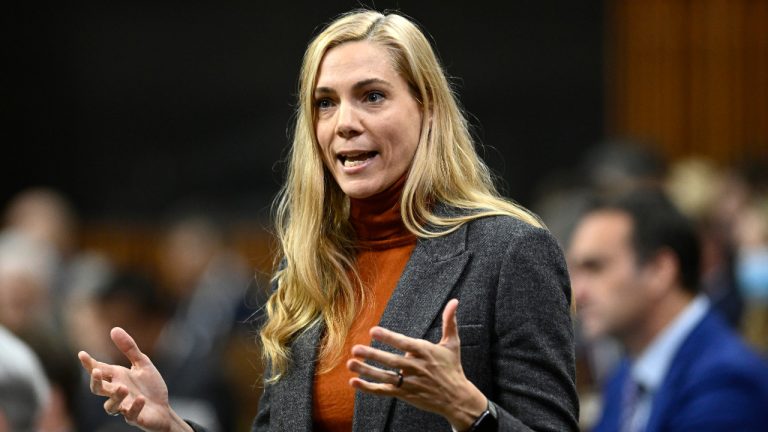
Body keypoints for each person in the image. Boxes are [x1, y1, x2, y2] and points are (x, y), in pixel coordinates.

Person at [77, 9, 579, 431]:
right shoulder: (308, 266)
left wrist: (467, 409)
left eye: (373, 96)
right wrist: (173, 424)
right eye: (325, 103)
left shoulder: (510, 251)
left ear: (427, 109)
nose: (345, 123)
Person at [568, 187, 768, 432]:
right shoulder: (626, 376)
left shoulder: (725, 381)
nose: (578, 293)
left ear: (659, 270)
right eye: (576, 271)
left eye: (595, 268)